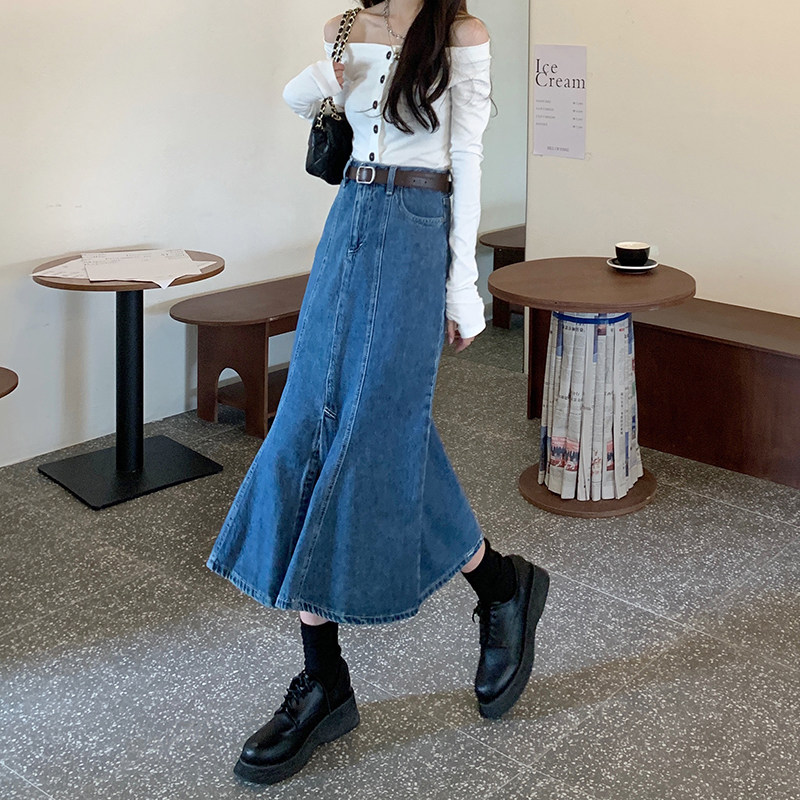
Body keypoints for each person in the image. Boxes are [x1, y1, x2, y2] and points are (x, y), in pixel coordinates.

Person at [206, 0, 549, 786]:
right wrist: (328, 73)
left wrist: (463, 289)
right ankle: (329, 673)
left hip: (417, 226)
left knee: (378, 426)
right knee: (308, 424)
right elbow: (304, 101)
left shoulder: (461, 34)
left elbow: (467, 159)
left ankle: (499, 587)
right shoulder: (346, 25)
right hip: (349, 220)